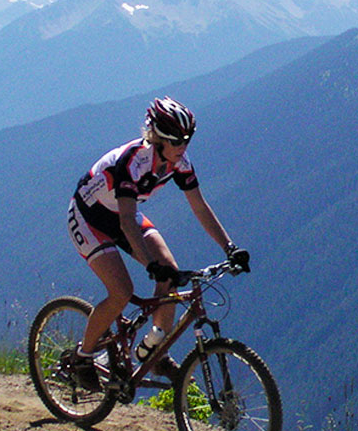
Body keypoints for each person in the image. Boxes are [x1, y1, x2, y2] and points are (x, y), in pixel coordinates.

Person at [65, 96, 249, 390]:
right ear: (158, 138)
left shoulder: (179, 162)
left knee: (171, 272)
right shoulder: (131, 163)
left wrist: (230, 248)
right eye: (177, 141)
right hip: (90, 218)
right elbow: (126, 222)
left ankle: (154, 350)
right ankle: (82, 357)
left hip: (123, 215)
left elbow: (199, 207)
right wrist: (150, 265)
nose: (183, 147)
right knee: (122, 292)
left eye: (187, 140)